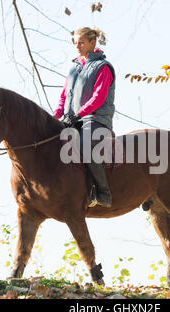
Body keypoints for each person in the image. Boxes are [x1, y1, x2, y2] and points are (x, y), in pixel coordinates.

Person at [53, 27, 115, 208]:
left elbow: (99, 97)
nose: (77, 46)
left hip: (96, 120)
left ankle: (103, 192)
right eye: (75, 43)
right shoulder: (74, 68)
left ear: (92, 43)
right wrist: (55, 116)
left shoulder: (103, 67)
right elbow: (64, 96)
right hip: (72, 119)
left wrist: (78, 114)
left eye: (81, 42)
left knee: (85, 147)